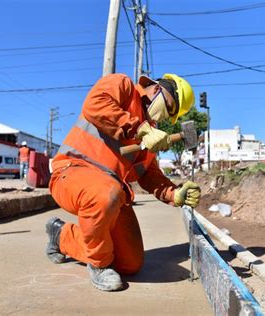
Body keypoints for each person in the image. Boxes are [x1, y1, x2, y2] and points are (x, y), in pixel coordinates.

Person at [46, 73, 201, 292]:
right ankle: (99, 265)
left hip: (110, 190)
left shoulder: (149, 130)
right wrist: (139, 129)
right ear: (158, 89)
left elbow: (150, 176)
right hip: (72, 172)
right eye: (169, 108)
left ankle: (61, 236)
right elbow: (95, 104)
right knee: (106, 193)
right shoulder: (123, 85)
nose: (166, 117)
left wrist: (175, 194)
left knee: (130, 262)